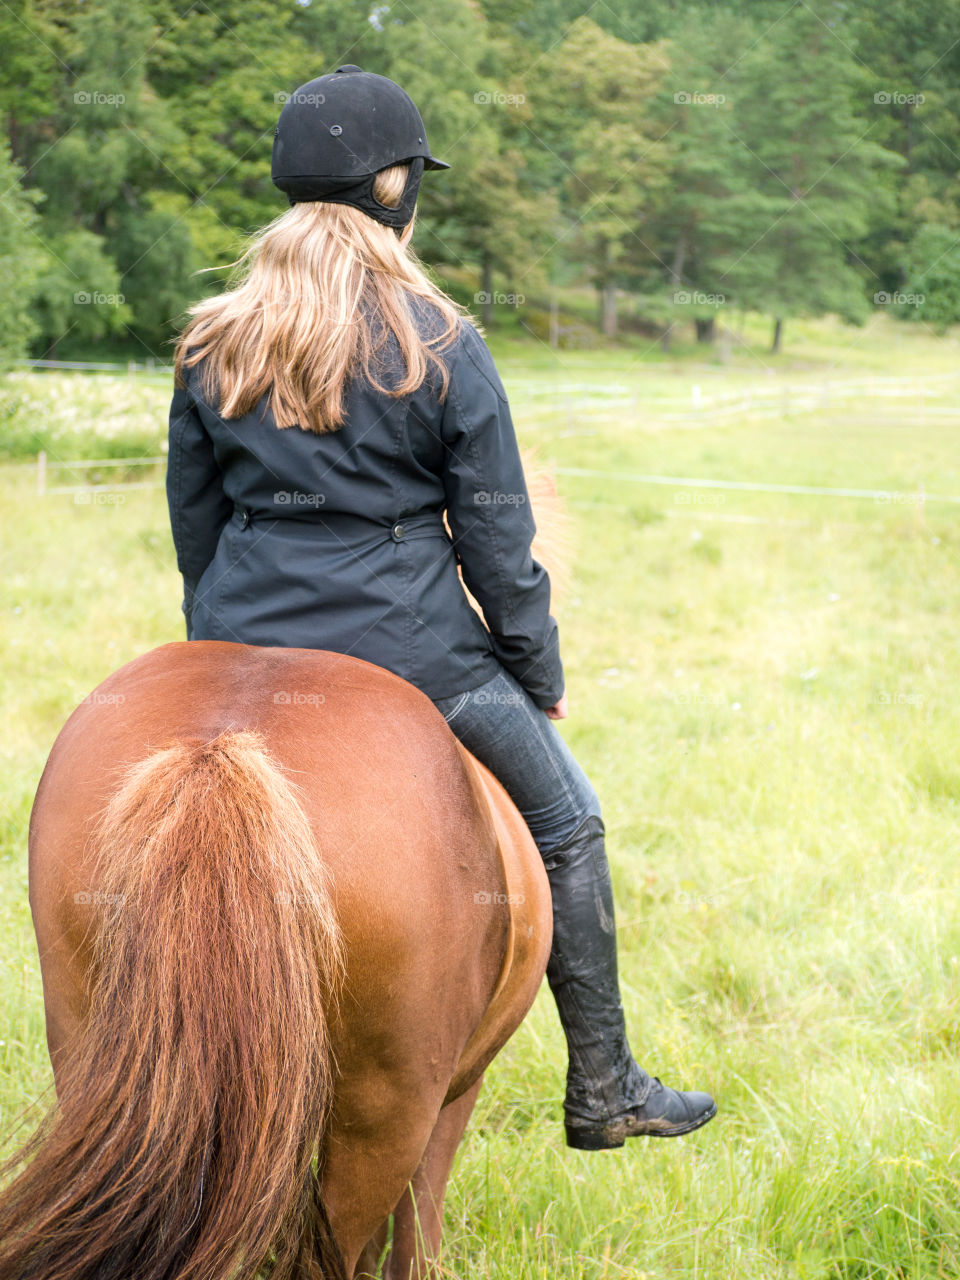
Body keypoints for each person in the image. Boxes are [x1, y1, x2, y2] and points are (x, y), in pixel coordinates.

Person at [165, 65, 716, 1151]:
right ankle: (605, 1086)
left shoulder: (210, 339)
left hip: (236, 640)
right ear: (391, 187)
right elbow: (500, 545)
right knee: (569, 822)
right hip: (414, 650)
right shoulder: (439, 340)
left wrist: (218, 647)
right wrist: (536, 673)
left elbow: (196, 523)